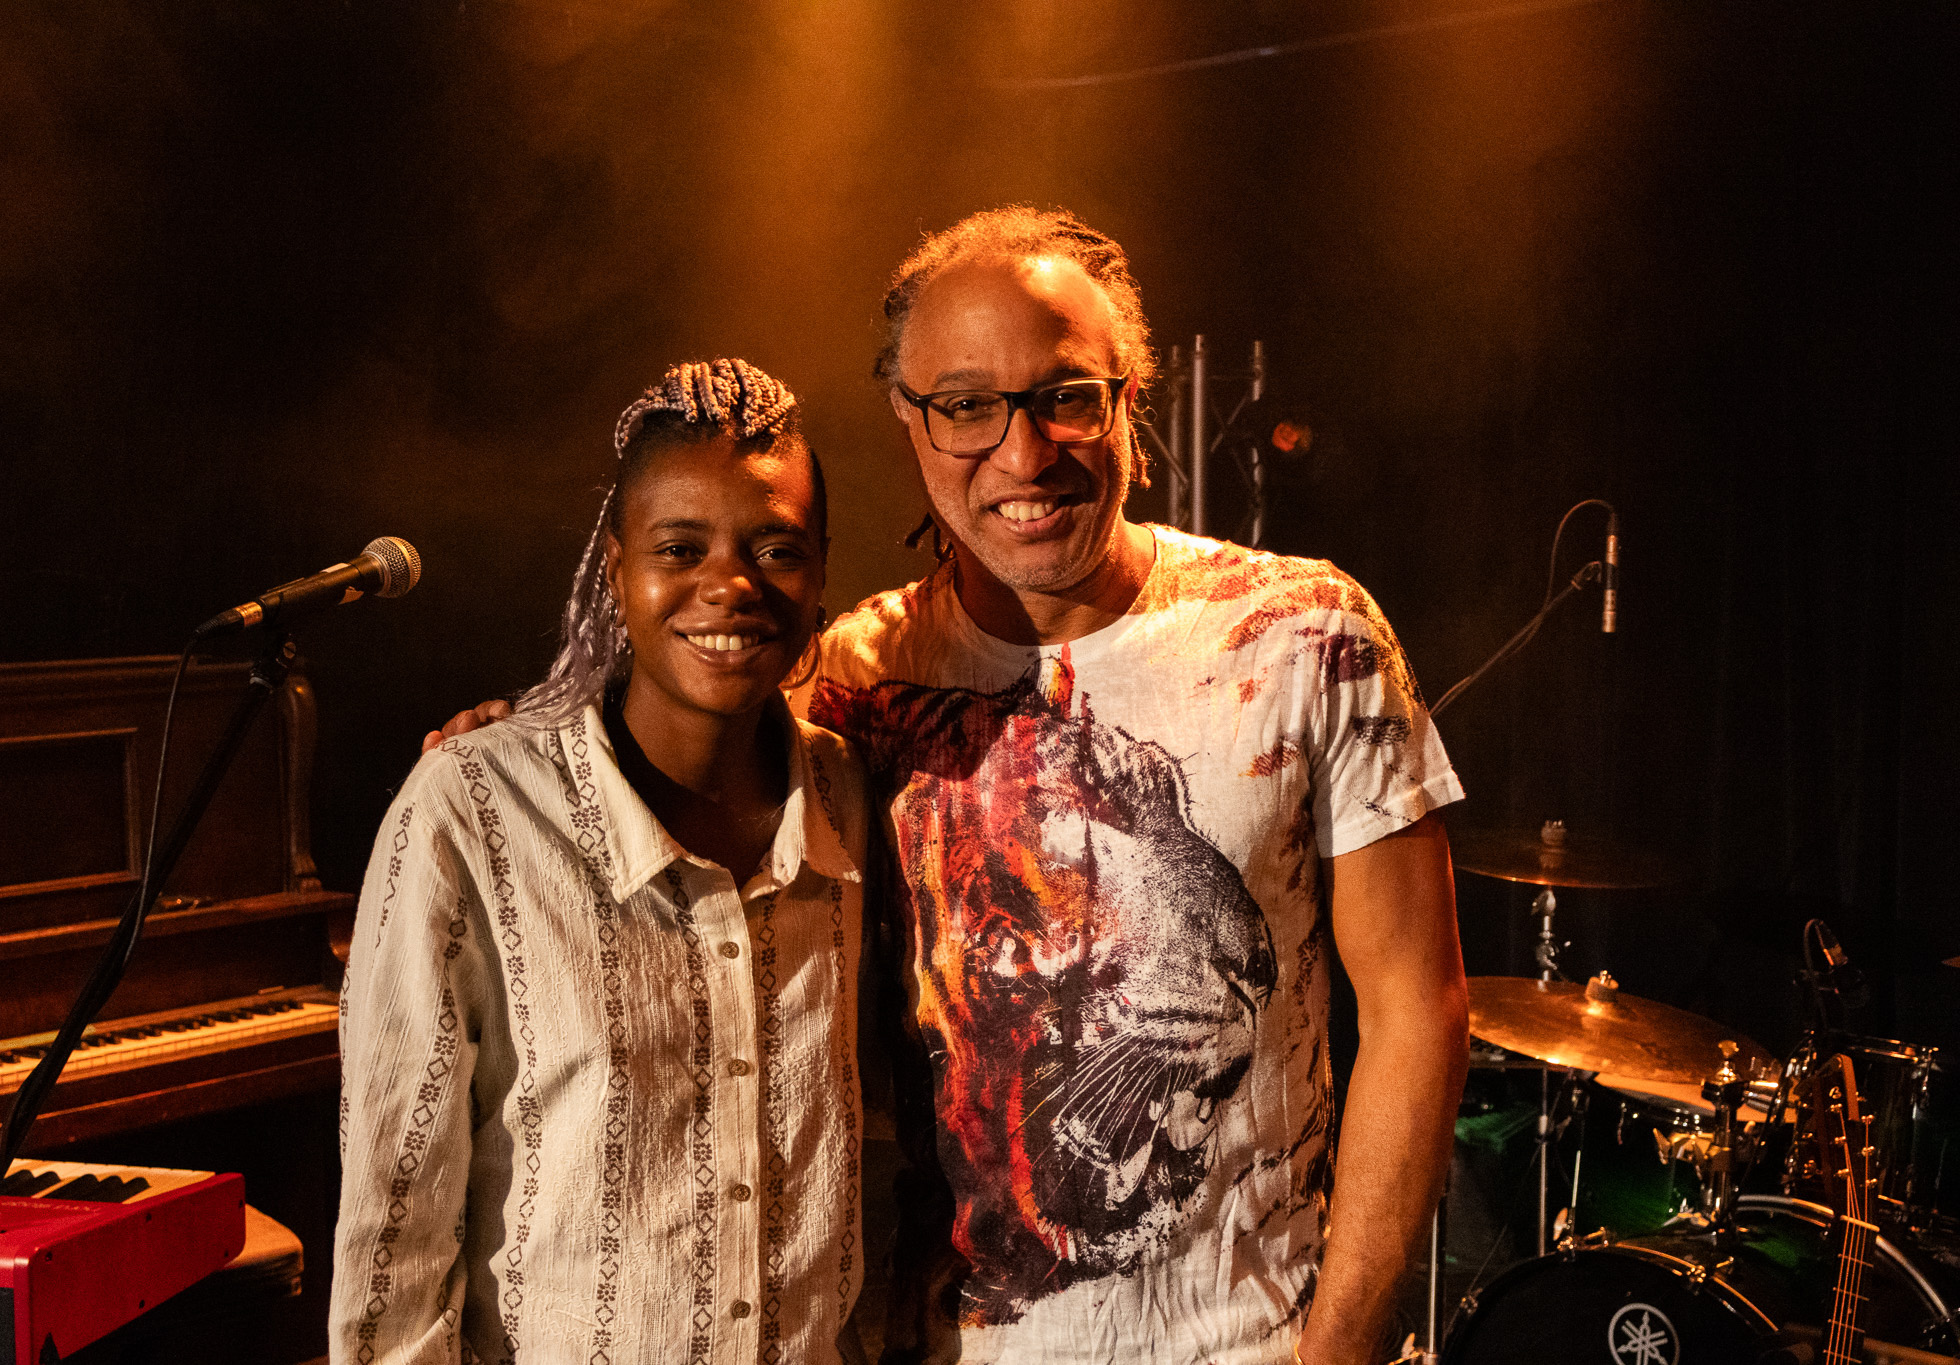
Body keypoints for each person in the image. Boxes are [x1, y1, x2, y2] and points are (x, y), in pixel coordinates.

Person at [433, 208, 1469, 1365]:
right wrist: (529, 751)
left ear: (1127, 400)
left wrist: (1337, 1353)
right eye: (967, 405)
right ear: (908, 419)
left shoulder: (1306, 635)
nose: (1023, 455)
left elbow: (1415, 1007)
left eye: (1064, 397)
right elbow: (656, 782)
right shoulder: (846, 684)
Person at [336, 359, 870, 1365]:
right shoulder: (472, 808)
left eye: (776, 549)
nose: (732, 584)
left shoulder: (849, 796)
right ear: (615, 570)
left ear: (821, 572)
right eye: (680, 548)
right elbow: (394, 1234)